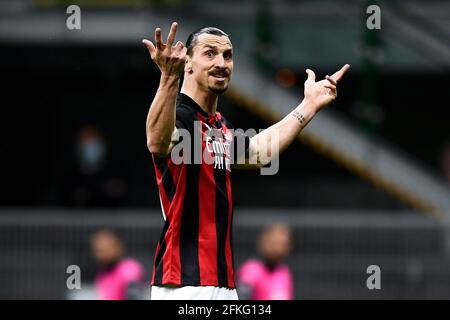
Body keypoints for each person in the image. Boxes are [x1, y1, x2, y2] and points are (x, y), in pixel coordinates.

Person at [142, 22, 349, 300]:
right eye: (210, 53)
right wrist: (169, 77)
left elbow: (259, 152)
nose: (222, 63)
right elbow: (157, 141)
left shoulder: (218, 126)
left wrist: (308, 106)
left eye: (227, 55)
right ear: (187, 63)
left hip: (223, 284)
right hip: (183, 283)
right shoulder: (180, 116)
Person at [237, 224, 294, 300]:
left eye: (284, 244)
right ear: (264, 242)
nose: (279, 249)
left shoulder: (284, 272)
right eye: (275, 243)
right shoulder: (250, 270)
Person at [91, 229, 144, 300]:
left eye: (107, 249)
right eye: (99, 250)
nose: (102, 254)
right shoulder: (102, 274)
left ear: (117, 247)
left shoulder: (129, 269)